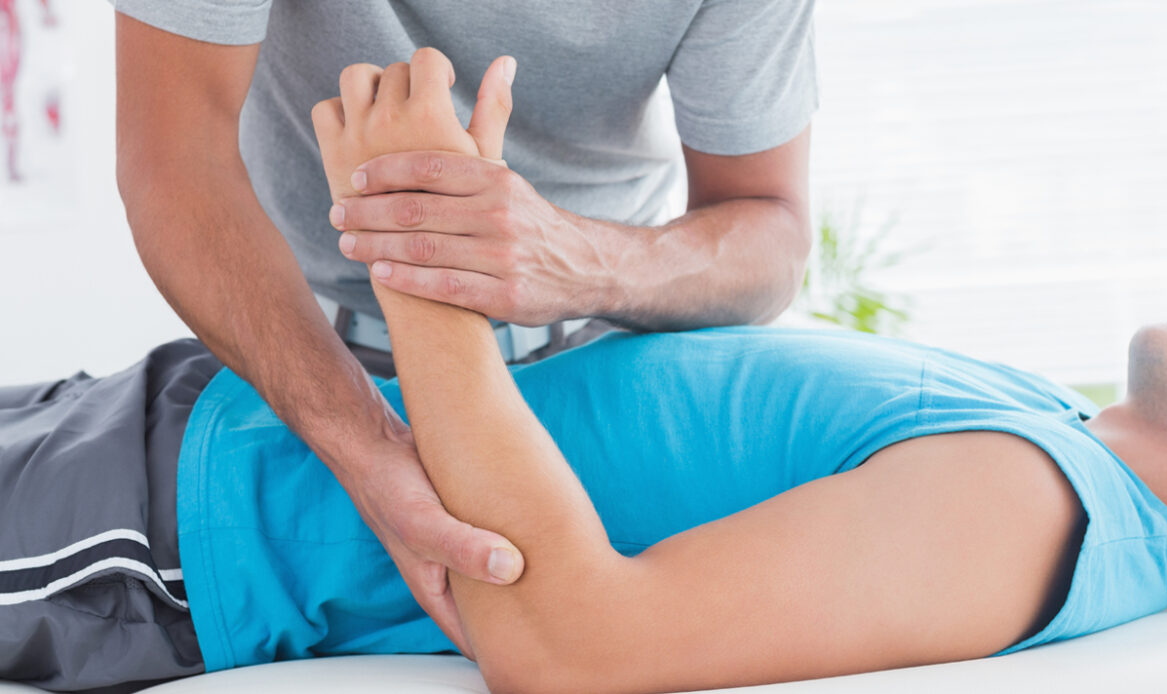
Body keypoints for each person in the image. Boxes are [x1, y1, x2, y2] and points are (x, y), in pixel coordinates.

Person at [2, 51, 1167, 693]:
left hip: (186, 532)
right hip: (196, 407)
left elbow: (572, 646)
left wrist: (417, 239)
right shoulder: (1052, 423)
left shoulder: (1041, 513)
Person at [110, 0, 818, 632]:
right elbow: (174, 160)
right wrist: (363, 444)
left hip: (611, 339)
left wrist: (579, 259)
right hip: (311, 351)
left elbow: (772, 231)